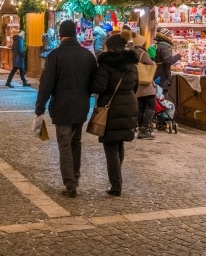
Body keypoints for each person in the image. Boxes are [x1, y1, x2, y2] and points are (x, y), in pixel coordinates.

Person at [35, 20, 97, 198]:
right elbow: (94, 83)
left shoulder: (55, 55)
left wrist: (40, 107)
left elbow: (46, 84)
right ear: (75, 34)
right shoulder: (87, 56)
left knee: (64, 145)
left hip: (62, 107)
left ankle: (70, 184)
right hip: (81, 107)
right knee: (75, 142)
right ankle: (75, 177)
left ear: (61, 35)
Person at [92, 34, 139, 197]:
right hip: (130, 104)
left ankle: (116, 186)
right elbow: (136, 85)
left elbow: (99, 86)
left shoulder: (106, 64)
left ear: (109, 47)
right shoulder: (132, 64)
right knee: (120, 144)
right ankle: (116, 180)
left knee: (111, 147)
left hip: (111, 107)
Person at [126, 31, 157, 140]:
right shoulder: (143, 53)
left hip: (137, 83)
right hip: (146, 84)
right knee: (151, 106)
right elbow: (152, 65)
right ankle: (144, 128)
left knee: (140, 107)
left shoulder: (130, 52)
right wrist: (153, 60)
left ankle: (140, 128)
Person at [153, 27, 181, 98]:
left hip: (157, 75)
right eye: (170, 36)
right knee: (162, 98)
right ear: (165, 36)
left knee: (158, 95)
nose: (172, 38)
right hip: (162, 77)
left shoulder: (157, 45)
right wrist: (179, 55)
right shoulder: (164, 47)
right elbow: (169, 61)